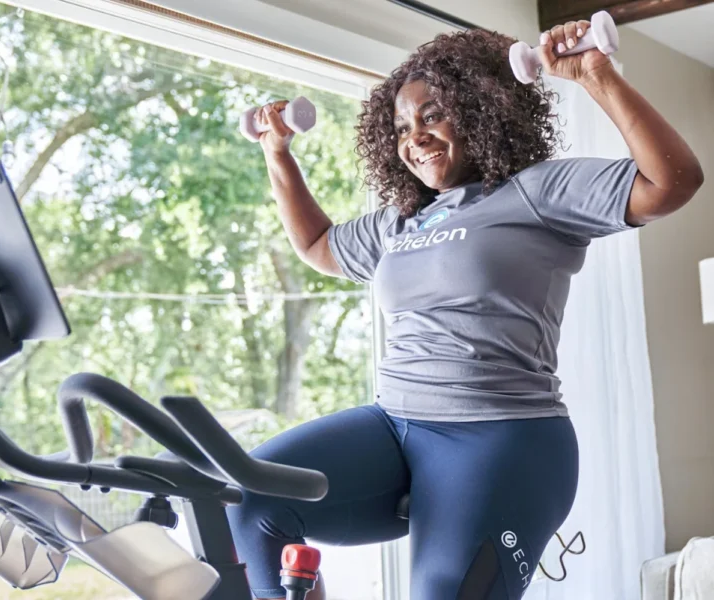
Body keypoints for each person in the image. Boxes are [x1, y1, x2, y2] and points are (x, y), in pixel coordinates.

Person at [227, 19, 704, 600]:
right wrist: (277, 152)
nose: (416, 137)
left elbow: (670, 181)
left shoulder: (535, 191)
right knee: (252, 498)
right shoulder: (402, 220)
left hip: (501, 438)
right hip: (393, 425)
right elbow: (318, 246)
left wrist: (594, 74)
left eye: (432, 116)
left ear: (482, 111)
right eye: (402, 126)